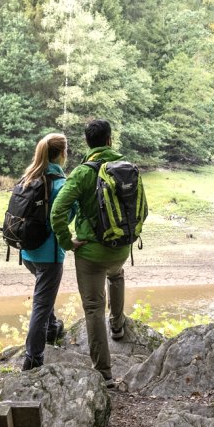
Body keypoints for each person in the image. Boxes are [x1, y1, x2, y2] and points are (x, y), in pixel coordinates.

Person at [49, 119, 132, 384]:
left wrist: (66, 242)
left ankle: (104, 373)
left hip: (90, 254)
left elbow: (57, 211)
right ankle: (117, 325)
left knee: (94, 307)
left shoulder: (82, 173)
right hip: (121, 248)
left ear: (87, 143)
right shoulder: (126, 168)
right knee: (116, 275)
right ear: (109, 140)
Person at [18, 133, 69, 371]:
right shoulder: (59, 184)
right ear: (62, 154)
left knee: (44, 295)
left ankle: (52, 328)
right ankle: (33, 358)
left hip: (27, 252)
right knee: (41, 303)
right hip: (50, 255)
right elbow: (65, 217)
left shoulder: (29, 177)